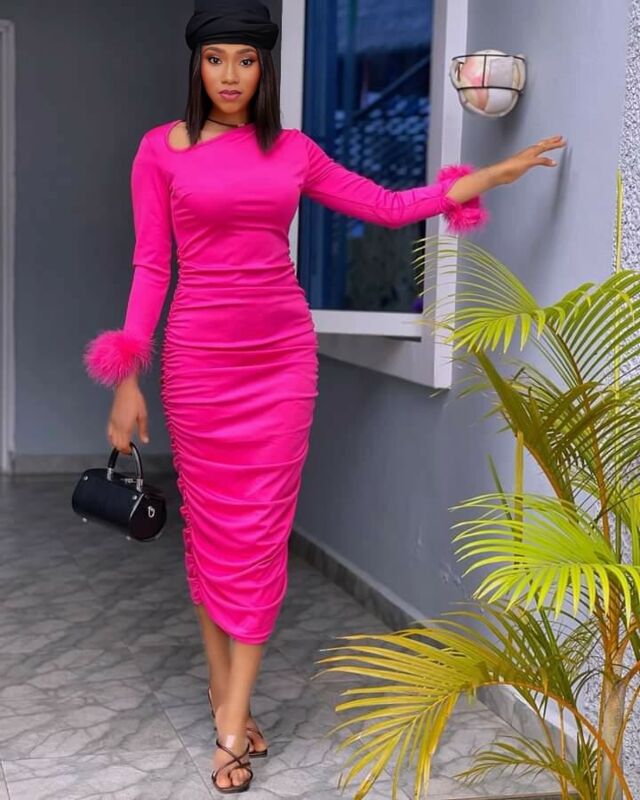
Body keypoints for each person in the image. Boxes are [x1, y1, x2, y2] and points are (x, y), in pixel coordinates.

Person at [83, 0, 566, 792]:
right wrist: (126, 376)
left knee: (259, 535)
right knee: (211, 533)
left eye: (246, 59)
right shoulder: (159, 151)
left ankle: (231, 726)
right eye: (216, 58)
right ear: (196, 64)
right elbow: (150, 266)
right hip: (199, 365)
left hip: (280, 364)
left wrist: (484, 179)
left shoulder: (293, 151)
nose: (231, 75)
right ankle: (225, 695)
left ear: (264, 67)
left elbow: (385, 207)